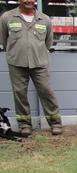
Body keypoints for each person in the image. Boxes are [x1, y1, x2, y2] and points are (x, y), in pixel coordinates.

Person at [0, 0, 63, 137]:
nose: (29, 0)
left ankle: (55, 123)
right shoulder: (7, 17)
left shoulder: (44, 19)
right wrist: (15, 52)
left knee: (46, 91)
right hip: (16, 62)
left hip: (39, 63)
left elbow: (48, 42)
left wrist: (36, 52)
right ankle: (24, 124)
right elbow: (4, 41)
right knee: (20, 94)